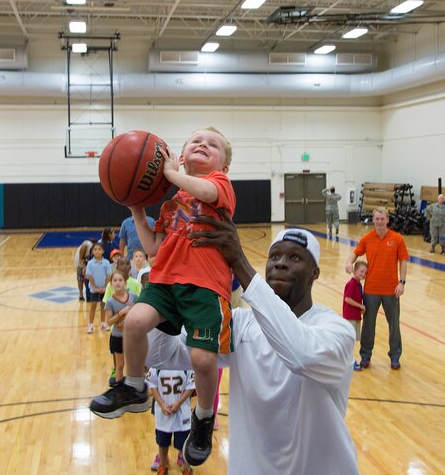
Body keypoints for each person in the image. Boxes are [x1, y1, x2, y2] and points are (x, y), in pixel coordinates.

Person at [140, 219, 359, 475]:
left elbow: (301, 356)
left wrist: (239, 263)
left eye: (295, 257)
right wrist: (163, 291)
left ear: (315, 273)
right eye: (275, 255)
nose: (280, 262)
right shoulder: (241, 325)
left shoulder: (336, 330)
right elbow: (161, 354)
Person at [90, 127, 236, 468]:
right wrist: (138, 212)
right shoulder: (171, 206)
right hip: (166, 281)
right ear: (181, 155)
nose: (203, 144)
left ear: (224, 167)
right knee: (135, 321)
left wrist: (172, 173)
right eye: (196, 141)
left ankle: (201, 417)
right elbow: (154, 250)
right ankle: (135, 387)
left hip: (204, 286)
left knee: (202, 360)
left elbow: (206, 189)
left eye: (212, 145)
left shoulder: (221, 187)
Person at [345, 207, 409, 370]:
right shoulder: (367, 238)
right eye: (377, 219)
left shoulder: (397, 238)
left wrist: (401, 282)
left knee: (394, 325)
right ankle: (365, 356)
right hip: (371, 290)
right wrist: (349, 262)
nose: (379, 221)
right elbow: (356, 252)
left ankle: (395, 356)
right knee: (368, 325)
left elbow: (403, 261)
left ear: (387, 220)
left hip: (391, 290)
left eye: (382, 219)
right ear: (373, 220)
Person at [147, 368, 197, 475]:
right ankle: (162, 465)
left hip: (182, 413)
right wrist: (161, 404)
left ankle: (186, 467)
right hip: (163, 413)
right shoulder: (157, 364)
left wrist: (178, 403)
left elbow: (191, 387)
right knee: (162, 443)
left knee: (184, 443)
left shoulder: (186, 363)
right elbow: (153, 385)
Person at [105, 271, 138, 385]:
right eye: (115, 280)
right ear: (111, 284)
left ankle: (133, 388)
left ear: (125, 282)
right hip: (118, 337)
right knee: (120, 365)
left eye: (120, 280)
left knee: (133, 364)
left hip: (132, 337)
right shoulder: (110, 301)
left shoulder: (133, 296)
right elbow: (108, 322)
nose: (118, 283)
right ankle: (119, 391)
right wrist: (121, 313)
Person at [343, 261, 367, 371]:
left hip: (356, 317)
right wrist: (360, 306)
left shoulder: (359, 285)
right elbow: (347, 299)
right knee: (349, 341)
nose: (363, 274)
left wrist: (360, 309)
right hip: (350, 317)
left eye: (365, 273)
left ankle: (348, 361)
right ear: (354, 271)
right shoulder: (351, 284)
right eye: (361, 271)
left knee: (351, 341)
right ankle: (349, 362)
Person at [85, 242, 113, 333]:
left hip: (104, 289)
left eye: (99, 249)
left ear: (103, 251)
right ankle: (90, 324)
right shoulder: (90, 263)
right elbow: (90, 276)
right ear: (92, 252)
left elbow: (108, 276)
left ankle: (103, 323)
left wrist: (105, 287)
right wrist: (95, 288)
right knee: (93, 306)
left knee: (103, 305)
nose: (97, 251)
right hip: (94, 289)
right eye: (95, 249)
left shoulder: (106, 262)